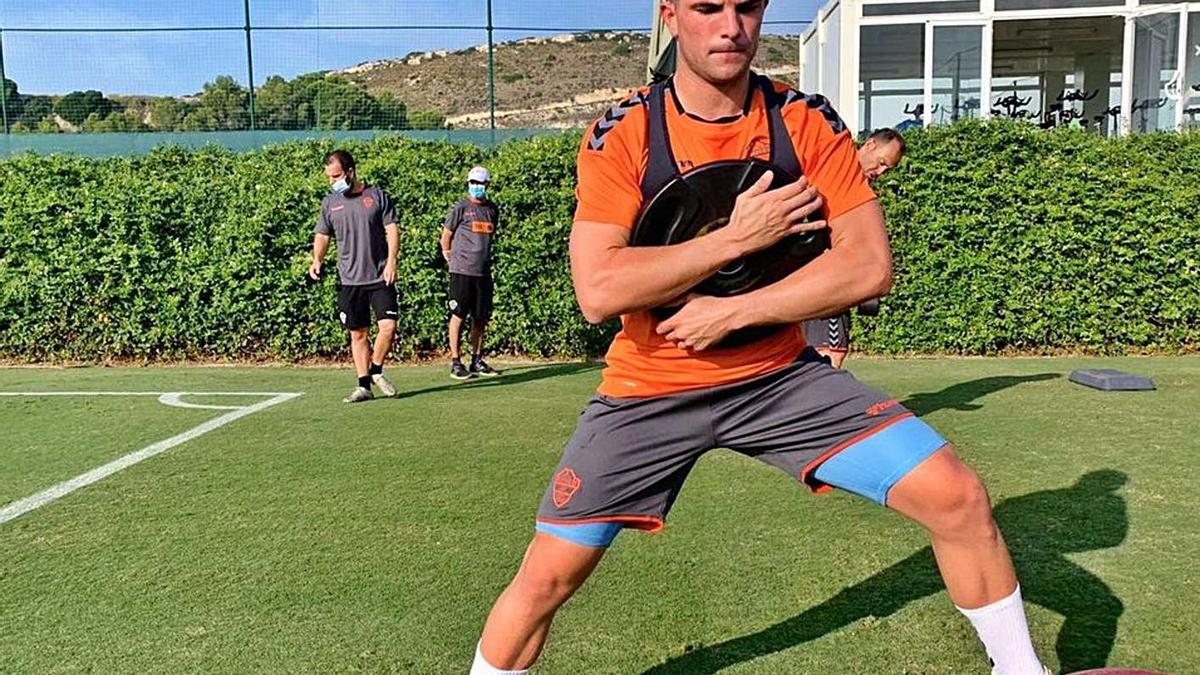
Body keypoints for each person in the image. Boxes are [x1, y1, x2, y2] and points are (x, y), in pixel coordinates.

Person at [469, 2, 1049, 674]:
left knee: (958, 495)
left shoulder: (804, 121)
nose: (730, 25)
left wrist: (733, 313)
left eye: (746, 6)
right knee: (546, 577)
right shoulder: (625, 129)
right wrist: (735, 240)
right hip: (650, 387)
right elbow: (598, 289)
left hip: (779, 377)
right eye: (708, 7)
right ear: (670, 14)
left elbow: (868, 265)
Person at [803, 127, 905, 367]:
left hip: (825, 279)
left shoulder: (860, 190)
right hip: (820, 279)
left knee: (825, 352)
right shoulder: (829, 170)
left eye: (887, 169)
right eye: (880, 163)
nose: (880, 172)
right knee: (829, 353)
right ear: (869, 145)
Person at [309, 150, 400, 403]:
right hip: (349, 280)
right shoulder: (329, 203)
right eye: (329, 177)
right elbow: (323, 235)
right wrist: (317, 259)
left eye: (336, 176)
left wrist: (392, 261)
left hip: (380, 276)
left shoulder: (376, 196)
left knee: (388, 327)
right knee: (358, 334)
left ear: (350, 171)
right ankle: (364, 386)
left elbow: (392, 229)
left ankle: (376, 369)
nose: (332, 181)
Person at [441, 166, 500, 380]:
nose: (476, 187)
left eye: (480, 184)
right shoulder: (460, 207)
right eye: (473, 183)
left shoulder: (492, 209)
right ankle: (456, 362)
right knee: (458, 315)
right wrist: (449, 257)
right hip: (461, 272)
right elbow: (446, 236)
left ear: (487, 185)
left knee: (481, 318)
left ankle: (476, 360)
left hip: (483, 273)